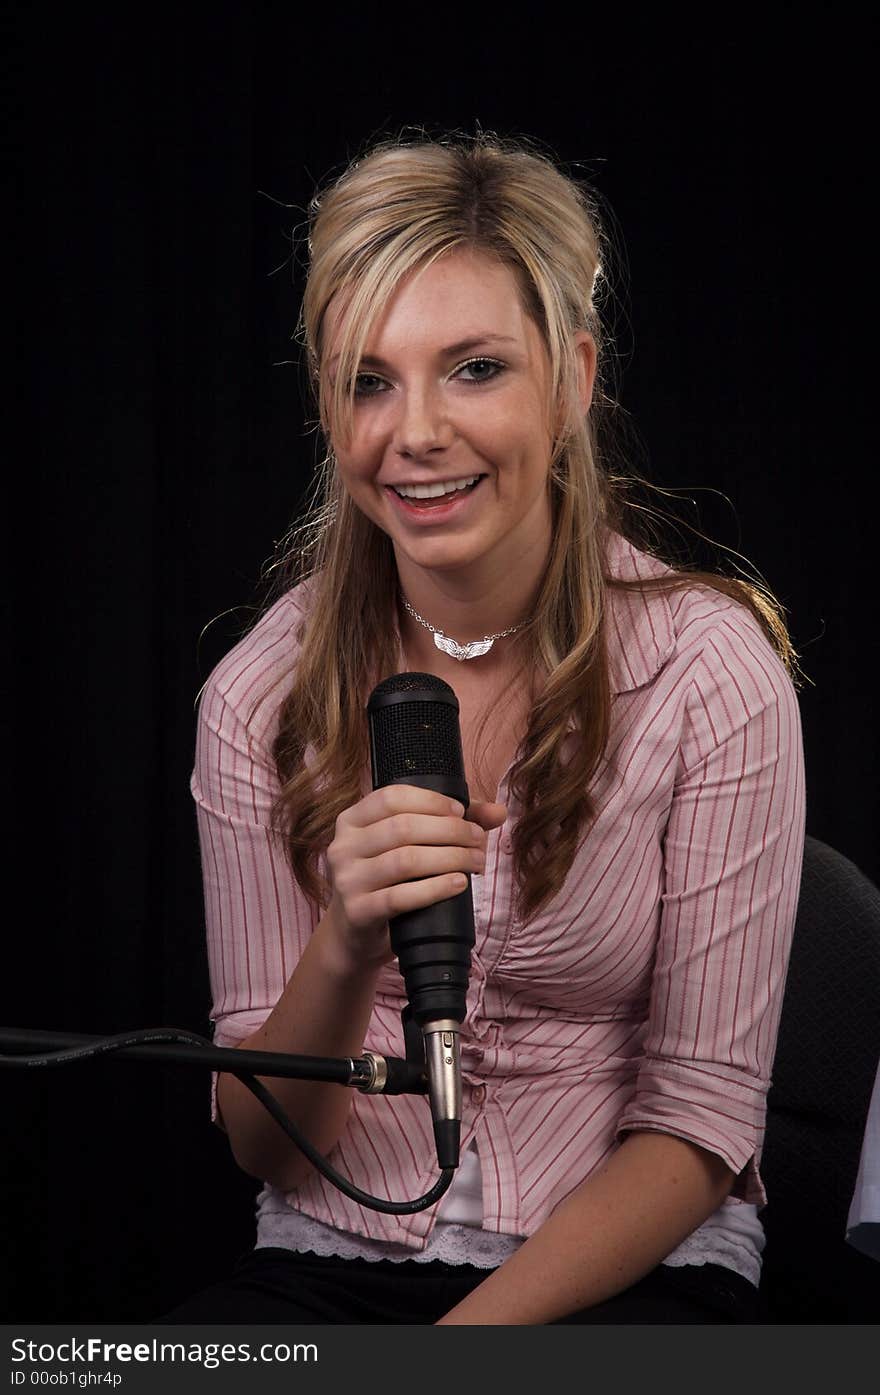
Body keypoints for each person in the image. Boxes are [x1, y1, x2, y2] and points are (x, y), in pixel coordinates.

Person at [161, 130, 806, 1324]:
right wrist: (347, 944)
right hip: (333, 1257)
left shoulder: (709, 675)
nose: (414, 432)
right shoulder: (259, 695)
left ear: (572, 378)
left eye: (473, 369)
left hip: (630, 1272)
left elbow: (701, 1125)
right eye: (368, 378)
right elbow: (262, 1146)